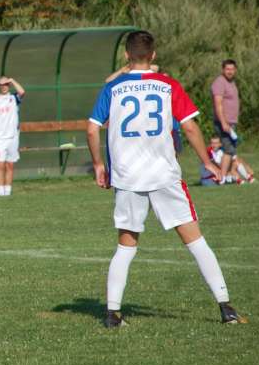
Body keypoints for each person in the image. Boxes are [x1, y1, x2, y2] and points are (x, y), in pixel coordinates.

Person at [87, 31, 246, 327]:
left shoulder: (113, 88)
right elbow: (189, 128)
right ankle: (226, 309)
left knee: (125, 246)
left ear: (125, 56)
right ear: (153, 55)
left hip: (127, 178)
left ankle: (112, 314)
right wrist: (208, 162)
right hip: (164, 176)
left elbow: (92, 129)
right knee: (196, 242)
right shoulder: (168, 85)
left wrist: (98, 165)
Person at [0, 76, 26, 196]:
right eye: (1, 85)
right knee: (0, 165)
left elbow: (22, 92)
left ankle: (8, 193)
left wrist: (12, 80)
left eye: (6, 84)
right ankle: (1, 193)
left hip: (13, 138)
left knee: (10, 165)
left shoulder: (14, 98)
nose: (4, 87)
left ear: (9, 85)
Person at [211, 59, 240, 183]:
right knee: (228, 150)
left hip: (231, 122)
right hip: (224, 122)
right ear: (223, 69)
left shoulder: (231, 82)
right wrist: (223, 122)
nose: (230, 71)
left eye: (232, 69)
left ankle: (226, 176)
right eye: (227, 69)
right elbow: (218, 104)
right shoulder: (220, 83)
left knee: (230, 150)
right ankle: (221, 178)